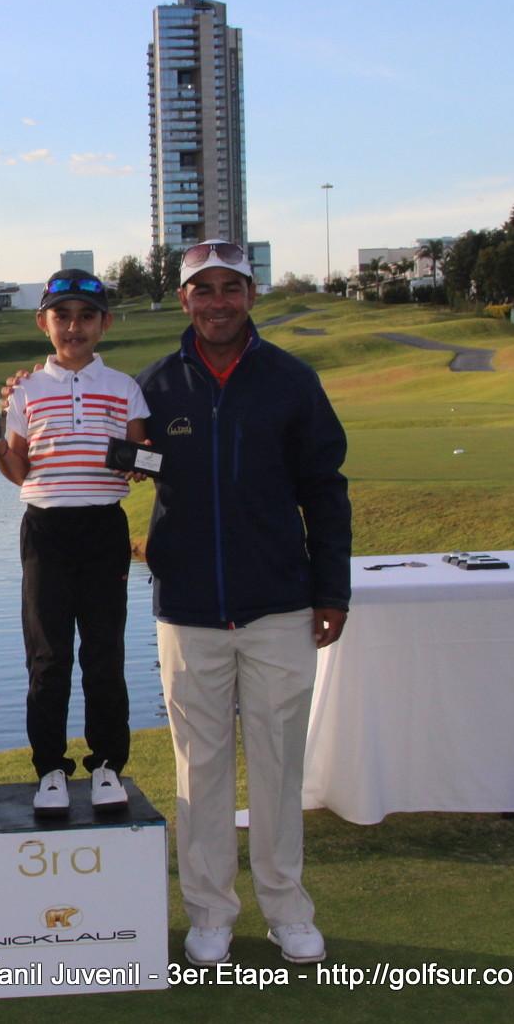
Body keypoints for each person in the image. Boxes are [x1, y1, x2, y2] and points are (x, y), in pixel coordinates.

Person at [136, 239, 351, 968]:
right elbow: (105, 460)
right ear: (184, 299)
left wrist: (332, 589)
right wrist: (23, 408)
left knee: (278, 766)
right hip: (188, 609)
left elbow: (325, 491)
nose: (218, 302)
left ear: (251, 296)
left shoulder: (291, 380)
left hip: (279, 606)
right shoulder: (156, 386)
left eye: (231, 287)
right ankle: (209, 914)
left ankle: (287, 908)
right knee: (199, 769)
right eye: (204, 289)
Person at [0, 269, 148, 814]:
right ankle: (50, 768)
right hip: (46, 529)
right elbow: (20, 471)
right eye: (62, 316)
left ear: (104, 324)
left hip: (103, 528)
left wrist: (140, 462)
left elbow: (139, 454)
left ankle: (107, 765)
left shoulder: (124, 387)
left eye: (86, 316)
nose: (74, 327)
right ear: (43, 323)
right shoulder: (26, 390)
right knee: (48, 657)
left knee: (104, 654)